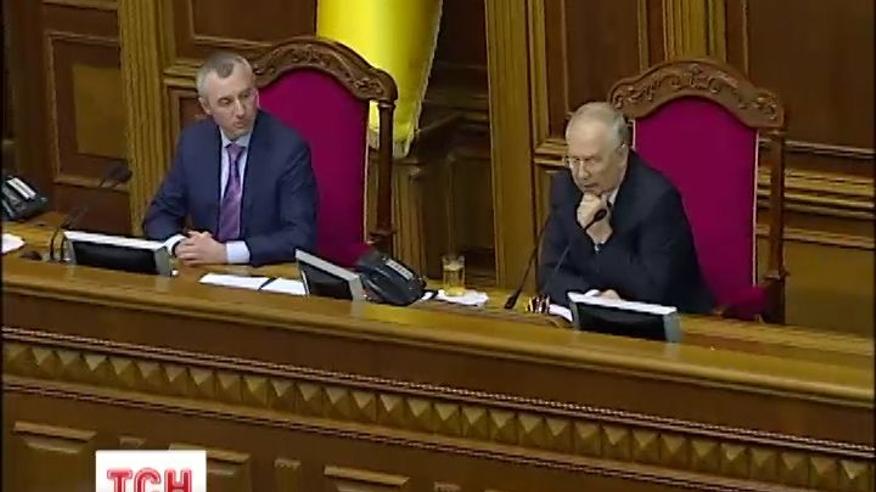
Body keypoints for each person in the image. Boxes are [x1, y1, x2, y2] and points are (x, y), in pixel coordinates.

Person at [143, 51, 317, 266]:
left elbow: (300, 236)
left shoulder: (288, 149)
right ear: (206, 107)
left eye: (245, 96)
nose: (240, 111)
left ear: (256, 92)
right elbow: (159, 215)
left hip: (262, 271)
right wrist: (181, 246)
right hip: (203, 270)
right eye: (226, 102)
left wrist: (226, 253)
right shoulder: (194, 142)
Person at [538, 102, 714, 313]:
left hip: (672, 324)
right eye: (574, 160)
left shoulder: (657, 200)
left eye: (592, 161)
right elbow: (550, 272)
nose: (581, 174)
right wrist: (593, 299)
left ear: (621, 156)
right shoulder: (565, 188)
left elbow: (655, 292)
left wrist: (604, 238)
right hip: (593, 322)